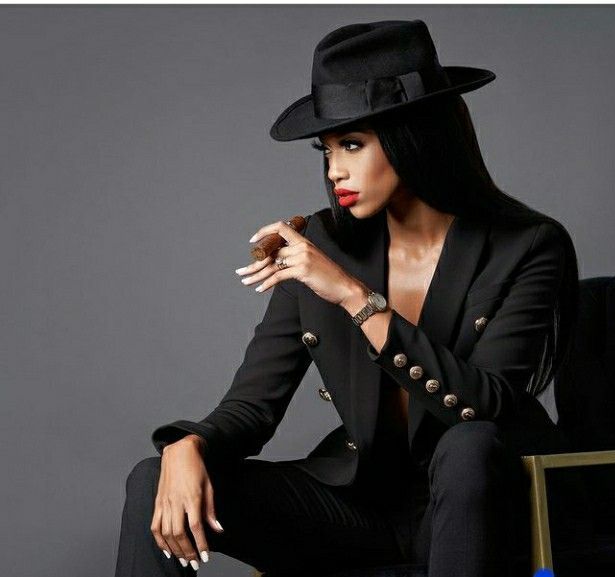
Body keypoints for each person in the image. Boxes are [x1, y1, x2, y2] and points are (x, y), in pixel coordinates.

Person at [114, 19, 582, 577]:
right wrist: (188, 445)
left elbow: (489, 403)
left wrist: (354, 297)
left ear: (415, 134)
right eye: (327, 149)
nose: (335, 170)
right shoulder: (319, 245)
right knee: (155, 477)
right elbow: (253, 408)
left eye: (353, 145)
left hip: (476, 507)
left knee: (471, 445)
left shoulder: (526, 245)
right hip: (356, 510)